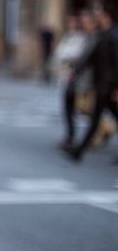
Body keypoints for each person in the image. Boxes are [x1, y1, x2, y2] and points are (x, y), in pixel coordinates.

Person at [63, 3, 118, 163]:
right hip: (101, 84)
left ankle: (78, 151)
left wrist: (116, 87)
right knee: (96, 119)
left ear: (106, 16)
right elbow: (89, 58)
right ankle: (78, 151)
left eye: (98, 14)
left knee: (95, 119)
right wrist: (75, 72)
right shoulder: (102, 35)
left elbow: (116, 63)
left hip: (108, 85)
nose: (96, 17)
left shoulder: (113, 35)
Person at [52, 9, 96, 150]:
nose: (84, 24)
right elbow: (60, 54)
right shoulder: (71, 37)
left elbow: (84, 58)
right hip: (72, 78)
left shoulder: (89, 38)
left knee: (89, 108)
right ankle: (72, 137)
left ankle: (100, 131)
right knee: (73, 107)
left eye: (86, 21)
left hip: (85, 80)